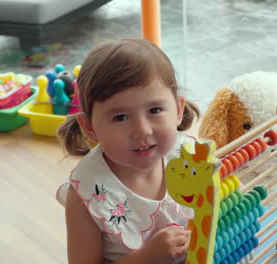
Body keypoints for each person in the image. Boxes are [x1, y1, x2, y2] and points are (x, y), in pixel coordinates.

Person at [56, 38, 200, 264]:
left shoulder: (189, 156)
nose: (142, 130)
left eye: (154, 109)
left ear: (178, 110)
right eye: (120, 117)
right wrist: (146, 258)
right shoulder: (87, 195)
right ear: (90, 128)